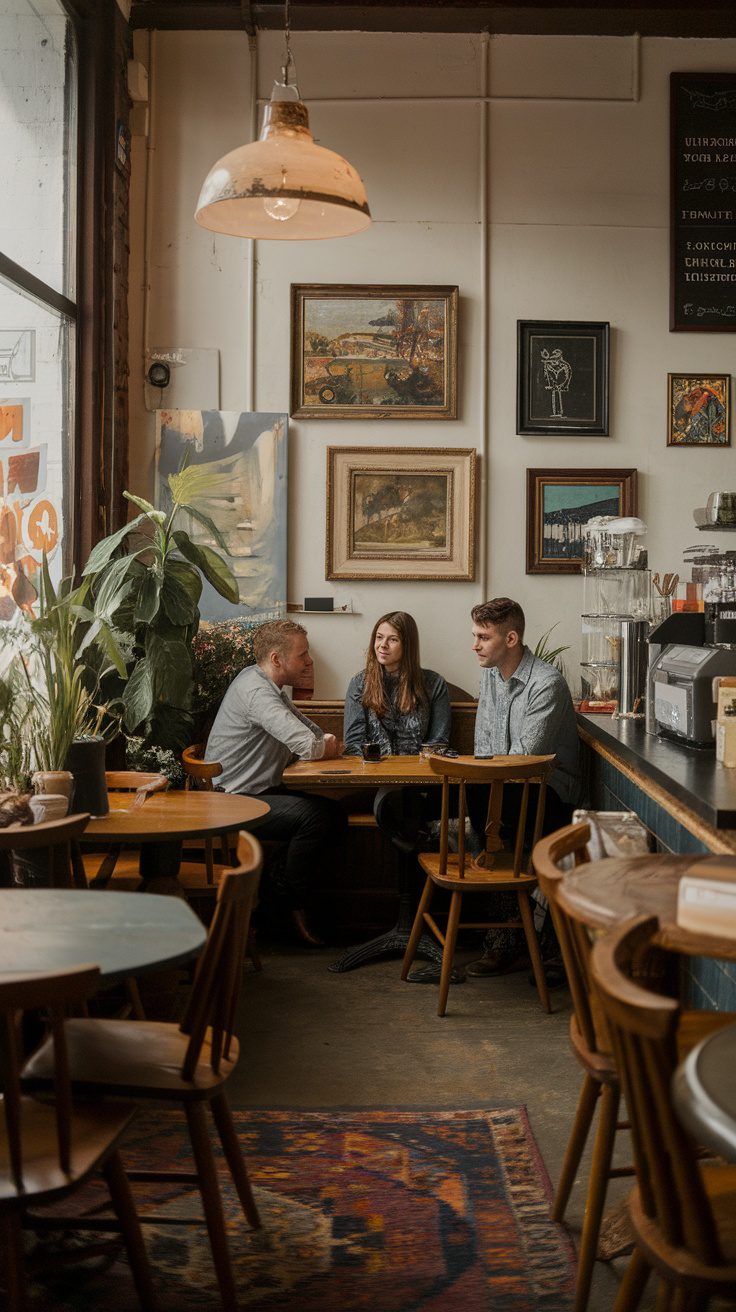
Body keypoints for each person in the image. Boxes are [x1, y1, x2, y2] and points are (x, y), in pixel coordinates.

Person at [206, 618, 347, 946]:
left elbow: (307, 730)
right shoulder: (256, 691)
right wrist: (324, 745)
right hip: (234, 801)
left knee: (335, 815)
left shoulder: (264, 684)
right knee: (319, 818)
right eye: (303, 655)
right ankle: (286, 908)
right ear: (276, 659)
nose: (309, 661)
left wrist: (321, 742)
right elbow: (310, 745)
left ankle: (271, 891)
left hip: (257, 793)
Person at [466, 596, 582, 976]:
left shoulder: (545, 683)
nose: (475, 645)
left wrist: (485, 779)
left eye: (483, 637)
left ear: (511, 638)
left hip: (549, 793)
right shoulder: (489, 675)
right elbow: (484, 745)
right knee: (462, 796)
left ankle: (519, 939)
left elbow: (524, 761)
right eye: (475, 635)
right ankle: (510, 936)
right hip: (507, 790)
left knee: (478, 799)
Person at [344, 611, 451, 850]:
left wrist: (412, 774)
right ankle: (420, 856)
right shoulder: (359, 683)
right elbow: (353, 744)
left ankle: (418, 863)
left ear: (408, 645)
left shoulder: (433, 684)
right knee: (395, 801)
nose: (382, 645)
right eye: (379, 637)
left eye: (392, 639)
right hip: (376, 780)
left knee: (418, 802)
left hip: (423, 780)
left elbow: (438, 742)